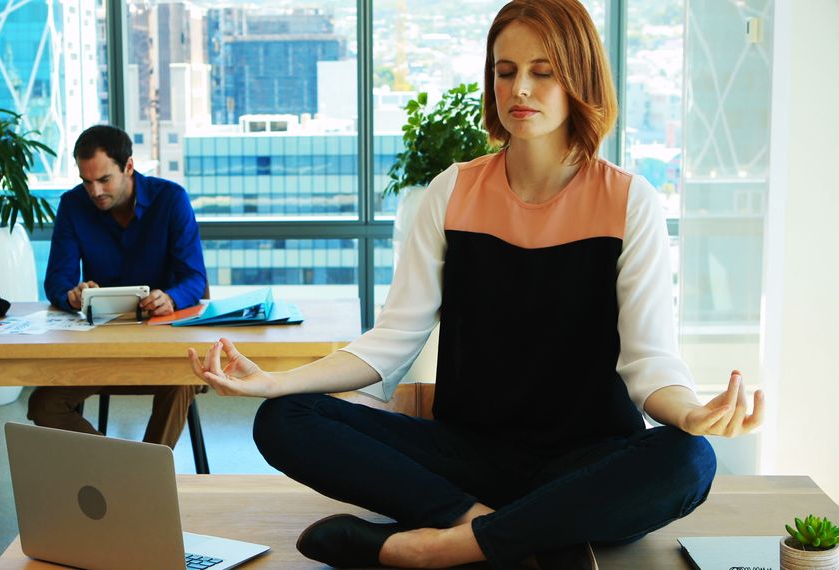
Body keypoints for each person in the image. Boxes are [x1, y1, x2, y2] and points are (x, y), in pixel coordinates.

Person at [186, 1, 765, 569]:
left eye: (543, 72)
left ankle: (442, 545)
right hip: (466, 458)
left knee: (690, 459)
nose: (519, 90)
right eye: (505, 71)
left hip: (587, 461)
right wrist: (274, 382)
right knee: (284, 418)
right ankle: (503, 529)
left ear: (579, 78)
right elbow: (391, 341)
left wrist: (690, 413)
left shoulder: (628, 200)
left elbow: (651, 363)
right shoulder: (452, 191)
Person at [28, 125, 208, 448]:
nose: (94, 191)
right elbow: (57, 280)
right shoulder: (72, 205)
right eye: (86, 182)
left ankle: (140, 481)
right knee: (42, 405)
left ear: (128, 167)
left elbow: (194, 278)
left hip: (163, 347)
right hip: (100, 348)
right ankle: (129, 470)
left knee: (183, 378)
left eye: (104, 179)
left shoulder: (171, 200)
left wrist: (170, 297)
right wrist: (71, 294)